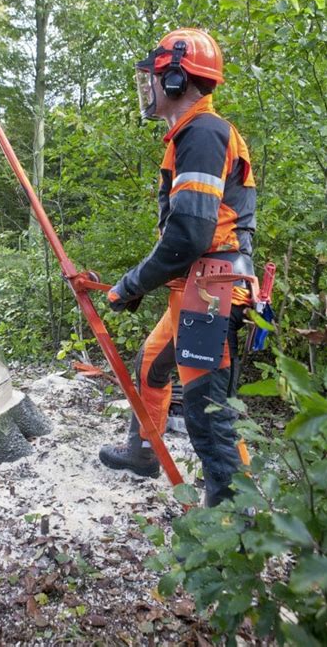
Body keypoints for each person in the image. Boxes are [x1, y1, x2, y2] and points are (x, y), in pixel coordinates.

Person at [99, 28, 256, 507]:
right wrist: (150, 281)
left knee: (210, 417)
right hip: (197, 285)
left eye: (154, 77)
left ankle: (234, 526)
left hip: (212, 292)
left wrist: (130, 284)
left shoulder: (204, 134)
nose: (147, 89)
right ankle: (145, 451)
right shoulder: (192, 135)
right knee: (152, 361)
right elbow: (188, 232)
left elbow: (189, 233)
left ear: (175, 80)